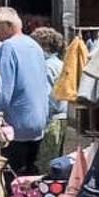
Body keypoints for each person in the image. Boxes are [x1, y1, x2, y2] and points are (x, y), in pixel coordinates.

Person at [0, 6, 52, 185]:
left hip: (17, 122)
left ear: (9, 26)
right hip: (38, 120)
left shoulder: (8, 47)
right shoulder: (35, 45)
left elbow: (4, 89)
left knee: (13, 177)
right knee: (31, 175)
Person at [32, 25, 70, 162]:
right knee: (55, 159)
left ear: (44, 47)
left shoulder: (47, 66)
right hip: (62, 118)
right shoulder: (60, 64)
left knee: (45, 162)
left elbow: (48, 98)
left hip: (51, 120)